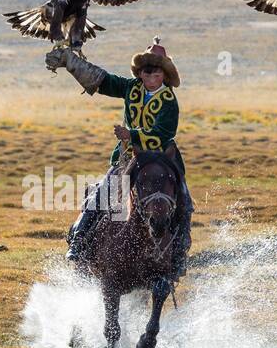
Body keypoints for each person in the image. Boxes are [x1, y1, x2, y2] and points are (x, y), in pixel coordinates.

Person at [46, 38, 193, 278]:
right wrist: (71, 63)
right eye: (145, 69)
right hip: (127, 158)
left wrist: (131, 134)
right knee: (101, 193)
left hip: (162, 159)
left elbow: (165, 133)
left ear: (164, 74)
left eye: (155, 70)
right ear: (140, 72)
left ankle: (178, 256)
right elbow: (103, 81)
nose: (149, 73)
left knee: (184, 203)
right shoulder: (131, 88)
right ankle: (79, 240)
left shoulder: (169, 101)